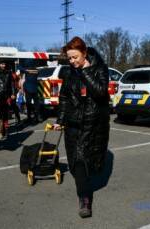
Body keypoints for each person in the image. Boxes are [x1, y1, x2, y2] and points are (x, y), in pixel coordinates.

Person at [53, 36, 110, 218]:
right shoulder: (69, 72)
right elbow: (64, 98)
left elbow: (101, 93)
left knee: (87, 161)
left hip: (93, 125)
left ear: (84, 53)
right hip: (73, 125)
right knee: (76, 161)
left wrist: (86, 72)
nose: (72, 61)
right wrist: (60, 120)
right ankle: (84, 197)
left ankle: (84, 197)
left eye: (75, 57)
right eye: (69, 58)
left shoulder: (100, 68)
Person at [0, 60, 14, 136]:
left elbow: (12, 84)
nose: (3, 65)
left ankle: (5, 129)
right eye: (2, 64)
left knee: (6, 114)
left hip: (6, 96)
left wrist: (13, 93)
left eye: (4, 64)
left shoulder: (9, 72)